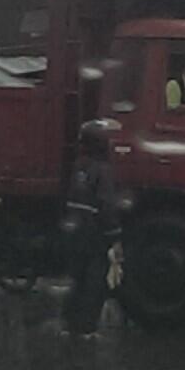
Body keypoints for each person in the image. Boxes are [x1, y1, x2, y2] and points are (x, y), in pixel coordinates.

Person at [62, 120, 122, 335]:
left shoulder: (79, 166)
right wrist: (114, 234)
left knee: (77, 279)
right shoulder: (103, 169)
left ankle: (70, 324)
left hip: (74, 228)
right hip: (94, 231)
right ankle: (87, 328)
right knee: (95, 280)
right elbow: (106, 204)